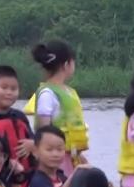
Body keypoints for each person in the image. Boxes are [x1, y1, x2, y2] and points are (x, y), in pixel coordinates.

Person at [25, 40, 88, 173]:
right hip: (55, 161)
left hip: (72, 158)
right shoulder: (47, 93)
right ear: (66, 64)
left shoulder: (69, 92)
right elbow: (43, 129)